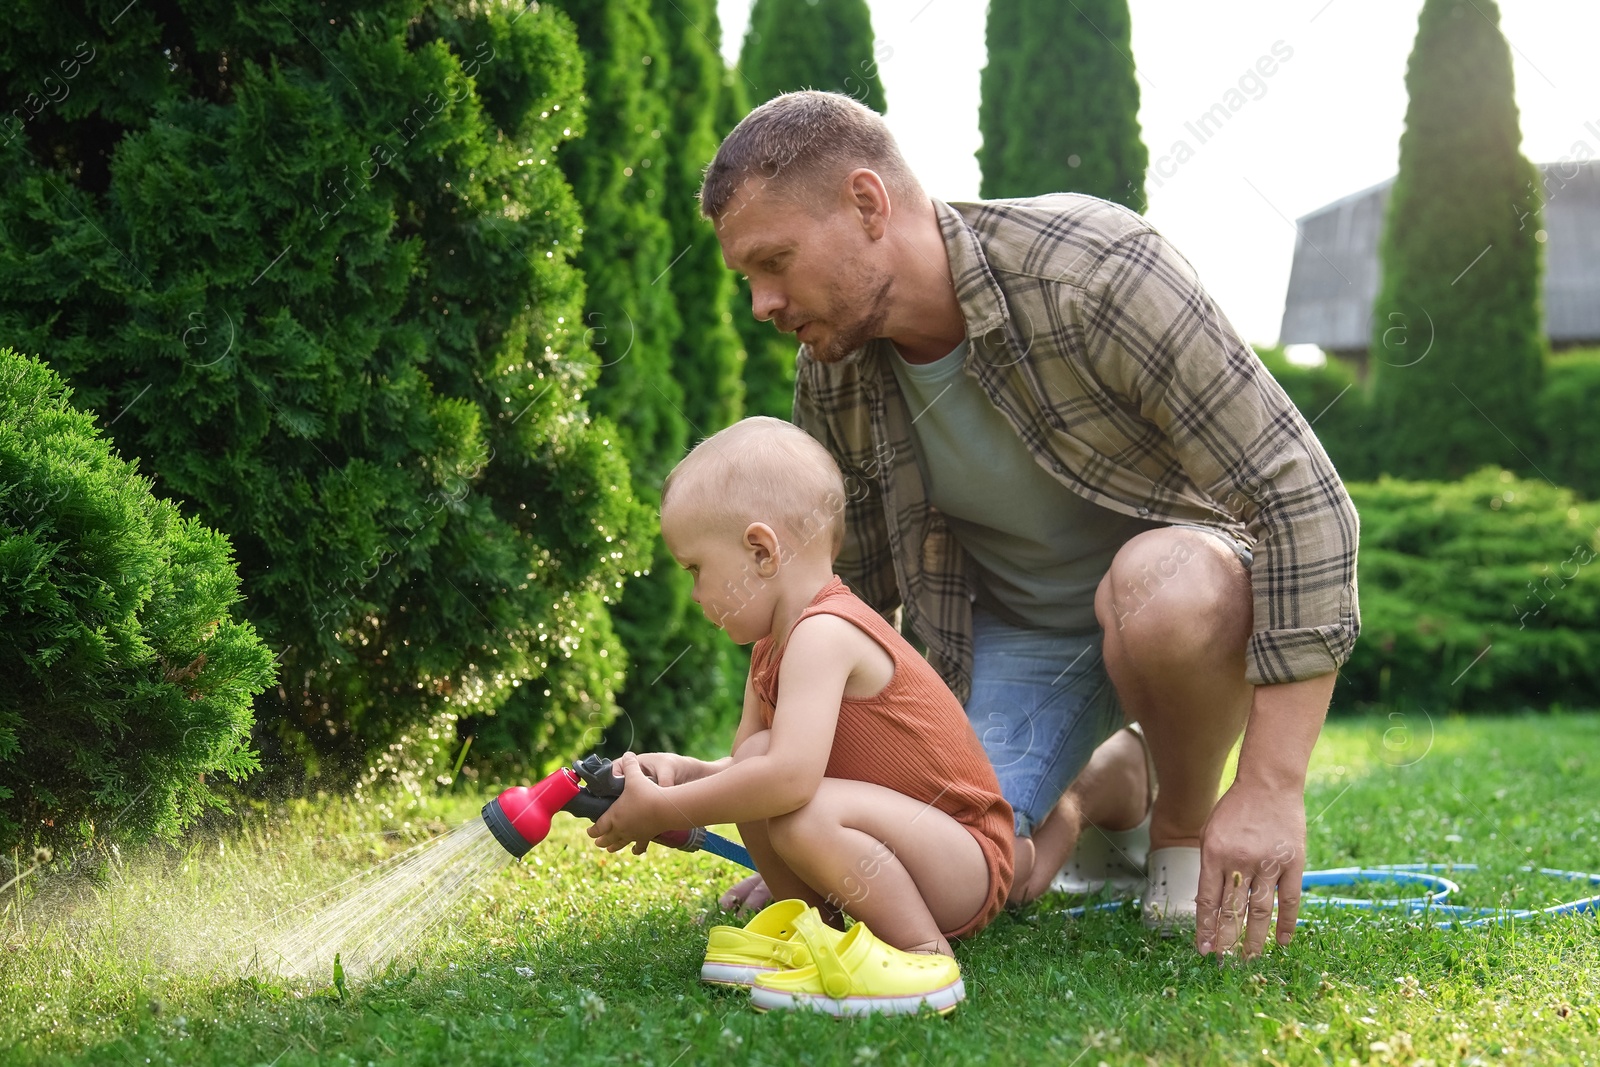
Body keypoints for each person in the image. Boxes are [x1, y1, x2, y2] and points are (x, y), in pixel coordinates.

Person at [697, 91, 1361, 960]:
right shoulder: (835, 370)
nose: (761, 302)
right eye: (748, 277)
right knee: (967, 878)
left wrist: (1272, 787)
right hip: (1011, 637)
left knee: (1159, 588)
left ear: (868, 204)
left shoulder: (1099, 269)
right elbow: (835, 605)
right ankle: (1103, 783)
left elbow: (1304, 499)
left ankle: (1184, 824)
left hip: (1181, 603)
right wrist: (803, 825)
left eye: (774, 261)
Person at [589, 416, 1015, 1015]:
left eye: (695, 570)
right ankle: (816, 931)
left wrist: (668, 808)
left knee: (794, 810)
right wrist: (684, 775)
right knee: (752, 761)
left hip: (962, 859)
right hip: (903, 853)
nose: (693, 594)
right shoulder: (772, 647)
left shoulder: (824, 633)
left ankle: (925, 959)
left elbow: (790, 782)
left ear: (761, 551)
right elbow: (756, 769)